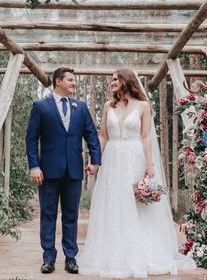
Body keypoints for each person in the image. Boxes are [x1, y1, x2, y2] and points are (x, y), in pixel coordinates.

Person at [78, 68, 196, 278]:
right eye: (111, 79)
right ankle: (112, 254)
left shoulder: (143, 106)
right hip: (113, 160)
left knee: (137, 206)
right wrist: (94, 162)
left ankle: (144, 254)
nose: (112, 82)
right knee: (113, 204)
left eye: (115, 79)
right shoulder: (108, 106)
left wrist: (149, 165)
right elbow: (103, 136)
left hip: (135, 158)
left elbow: (145, 137)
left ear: (127, 80)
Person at [26, 67, 102, 275]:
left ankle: (71, 258)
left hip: (74, 171)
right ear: (58, 81)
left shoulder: (81, 107)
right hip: (48, 171)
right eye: (70, 80)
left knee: (71, 215)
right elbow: (31, 140)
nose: (74, 83)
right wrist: (34, 166)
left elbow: (91, 136)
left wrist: (95, 161)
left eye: (74, 80)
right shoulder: (41, 107)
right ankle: (48, 258)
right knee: (48, 215)